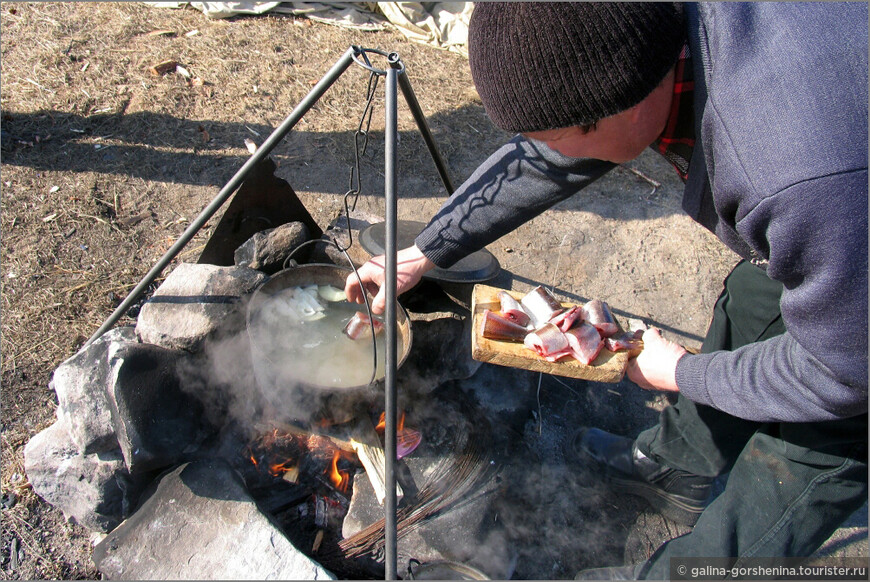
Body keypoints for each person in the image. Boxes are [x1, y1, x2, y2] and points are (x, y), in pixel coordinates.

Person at [345, 3, 868, 578]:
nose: (557, 154)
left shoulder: (799, 177)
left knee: (824, 449)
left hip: (846, 224)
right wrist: (425, 251)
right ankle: (680, 466)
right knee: (759, 288)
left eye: (558, 137)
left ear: (627, 100)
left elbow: (844, 375)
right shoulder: (654, 36)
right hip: (840, 212)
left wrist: (683, 373)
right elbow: (547, 159)